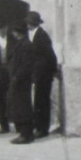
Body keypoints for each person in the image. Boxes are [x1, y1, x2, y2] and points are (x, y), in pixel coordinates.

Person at [27, 11, 59, 139]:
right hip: (41, 73)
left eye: (28, 23)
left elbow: (48, 57)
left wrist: (43, 72)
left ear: (32, 23)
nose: (27, 25)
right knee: (40, 100)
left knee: (41, 101)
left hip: (43, 74)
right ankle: (39, 127)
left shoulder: (41, 36)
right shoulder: (37, 35)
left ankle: (42, 129)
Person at [6, 20, 36, 145]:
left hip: (22, 81)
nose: (13, 34)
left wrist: (17, 77)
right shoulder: (21, 43)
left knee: (23, 106)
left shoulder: (26, 45)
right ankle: (25, 133)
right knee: (20, 106)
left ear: (19, 32)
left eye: (14, 31)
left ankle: (26, 134)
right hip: (18, 80)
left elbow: (26, 65)